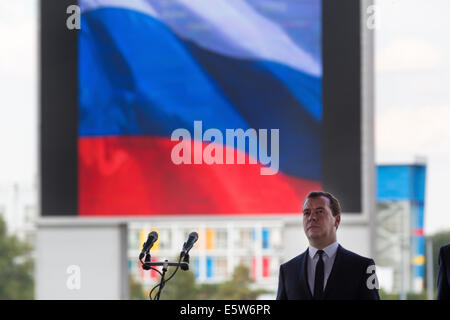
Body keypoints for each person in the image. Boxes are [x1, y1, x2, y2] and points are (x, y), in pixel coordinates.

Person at [276, 191, 380, 300]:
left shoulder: (362, 267)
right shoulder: (287, 271)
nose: (312, 217)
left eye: (320, 211)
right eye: (307, 213)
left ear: (337, 220)